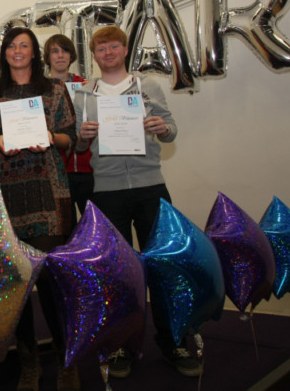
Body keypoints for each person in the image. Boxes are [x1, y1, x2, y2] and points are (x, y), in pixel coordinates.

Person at [74, 26, 200, 378]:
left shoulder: (148, 86)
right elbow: (80, 146)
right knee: (118, 275)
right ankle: (120, 346)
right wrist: (81, 138)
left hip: (150, 188)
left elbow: (171, 129)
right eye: (102, 48)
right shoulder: (84, 94)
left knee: (162, 268)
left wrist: (162, 126)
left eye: (114, 46)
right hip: (108, 192)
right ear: (95, 56)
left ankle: (173, 341)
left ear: (125, 49)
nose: (108, 52)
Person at [0, 27, 78, 391]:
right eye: (11, 46)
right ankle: (30, 363)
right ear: (3, 53)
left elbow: (72, 135)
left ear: (34, 52)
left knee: (52, 280)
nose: (17, 51)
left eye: (24, 45)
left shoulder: (54, 89)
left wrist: (51, 137)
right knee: (17, 285)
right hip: (6, 194)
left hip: (48, 193)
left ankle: (68, 359)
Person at [43, 34, 92, 220]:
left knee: (93, 229)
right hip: (57, 172)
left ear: (71, 55)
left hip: (88, 169)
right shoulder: (40, 89)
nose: (60, 55)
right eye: (55, 51)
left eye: (65, 51)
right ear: (47, 57)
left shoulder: (87, 86)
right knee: (66, 229)